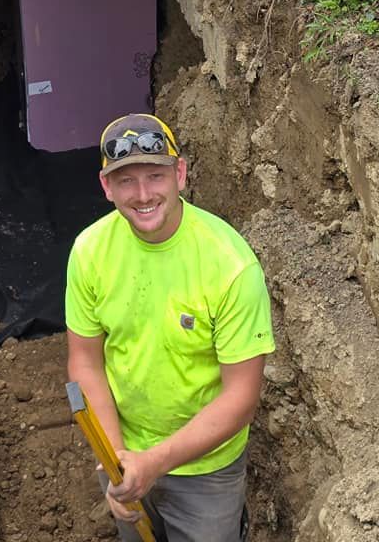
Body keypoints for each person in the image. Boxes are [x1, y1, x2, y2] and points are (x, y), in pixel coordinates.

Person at [65, 113, 275, 542]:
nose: (143, 194)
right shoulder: (90, 253)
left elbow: (241, 397)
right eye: (126, 181)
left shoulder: (230, 266)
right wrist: (118, 458)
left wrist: (154, 462)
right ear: (106, 187)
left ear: (179, 174)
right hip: (126, 453)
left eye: (155, 176)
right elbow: (85, 362)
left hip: (206, 470)